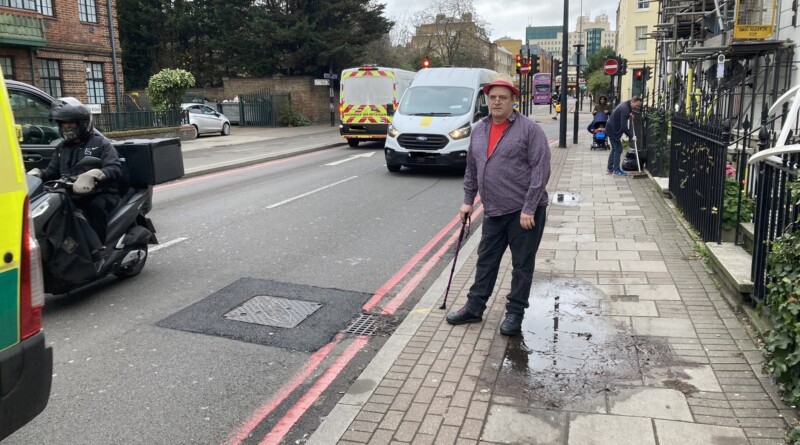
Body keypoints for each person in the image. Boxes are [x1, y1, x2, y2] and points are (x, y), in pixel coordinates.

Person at [445, 73, 551, 337]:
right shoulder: (479, 130)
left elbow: (541, 170)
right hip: (493, 210)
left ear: (513, 100)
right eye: (493, 97)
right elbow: (472, 168)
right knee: (486, 260)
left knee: (522, 265)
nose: (497, 102)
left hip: (523, 212)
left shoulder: (530, 130)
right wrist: (468, 201)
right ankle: (474, 307)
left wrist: (529, 208)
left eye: (503, 97)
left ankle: (515, 312)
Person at [28, 103, 123, 256]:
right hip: (69, 193)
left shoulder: (101, 144)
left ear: (83, 125)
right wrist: (38, 173)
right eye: (63, 126)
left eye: (71, 125)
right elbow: (52, 171)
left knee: (95, 208)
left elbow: (114, 168)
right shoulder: (62, 148)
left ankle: (98, 250)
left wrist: (95, 175)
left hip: (100, 192)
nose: (67, 129)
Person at [605, 96, 642, 176]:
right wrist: (631, 136)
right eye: (636, 105)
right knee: (618, 149)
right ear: (633, 101)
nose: (637, 107)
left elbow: (621, 116)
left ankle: (610, 169)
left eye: (638, 106)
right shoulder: (625, 108)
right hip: (613, 130)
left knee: (615, 149)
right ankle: (616, 170)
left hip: (611, 128)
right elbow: (623, 127)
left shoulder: (626, 105)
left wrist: (628, 116)